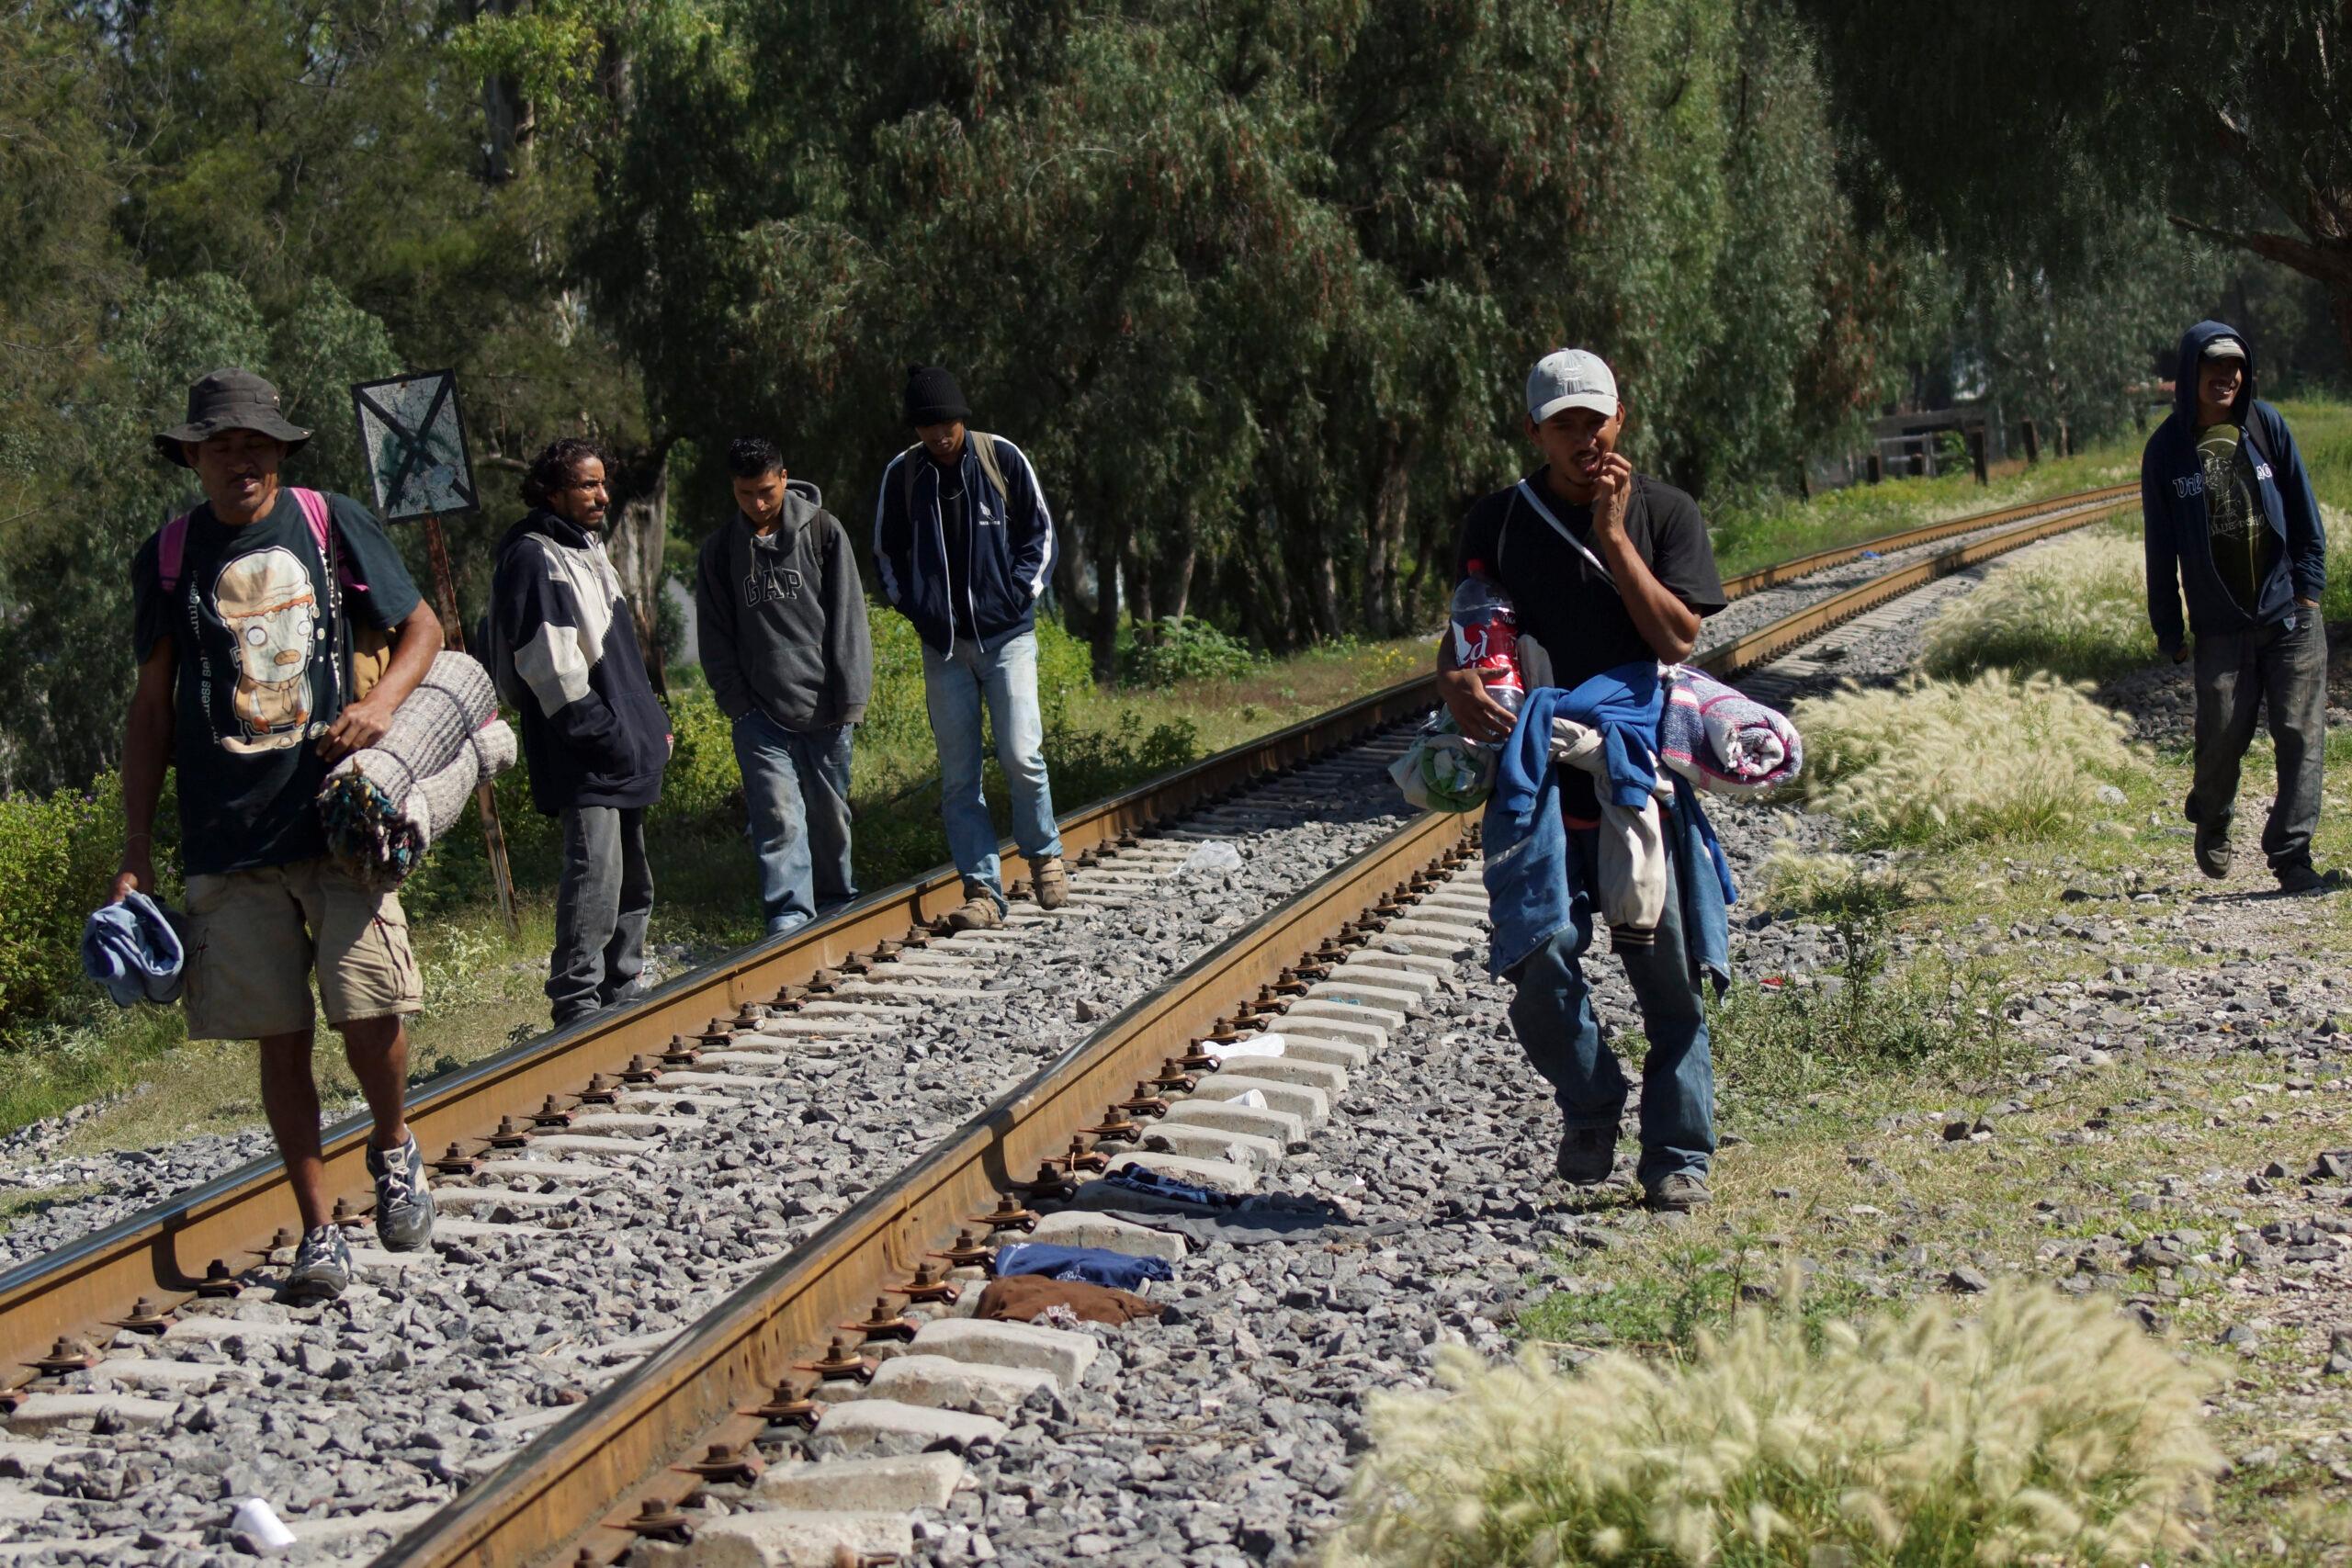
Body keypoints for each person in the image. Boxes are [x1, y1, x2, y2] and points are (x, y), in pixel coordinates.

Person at [114, 367, 444, 1299]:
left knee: (368, 1007)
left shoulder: (329, 521)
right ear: (193, 459)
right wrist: (135, 850)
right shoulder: (170, 556)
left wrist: (380, 704)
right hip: (228, 836)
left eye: (255, 445)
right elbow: (151, 709)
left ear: (279, 453)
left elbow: (422, 629)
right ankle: (319, 1230)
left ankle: (393, 1147)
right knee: (280, 1036)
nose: (241, 461)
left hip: (337, 820)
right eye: (221, 447)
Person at [1439, 349, 1728, 1212]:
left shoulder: (1666, 513)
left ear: (1619, 420)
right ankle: (1592, 1095)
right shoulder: (1496, 521)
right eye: (1563, 424)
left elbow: (1676, 637)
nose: (1583, 438)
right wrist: (1453, 681)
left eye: (1594, 421)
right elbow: (1471, 629)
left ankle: (1677, 1155)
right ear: (1534, 432)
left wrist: (1612, 534)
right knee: (1539, 959)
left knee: (1665, 973)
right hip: (1537, 771)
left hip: (1639, 772)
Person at [872, 365, 1069, 931]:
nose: (939, 435)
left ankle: (1044, 856)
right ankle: (982, 891)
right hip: (945, 650)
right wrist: (918, 609)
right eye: (927, 426)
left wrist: (1017, 595)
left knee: (1021, 755)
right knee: (959, 777)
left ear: (962, 418)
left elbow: (1040, 534)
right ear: (916, 429)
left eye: (947, 423)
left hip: (1008, 639)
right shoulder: (903, 475)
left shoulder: (1000, 457)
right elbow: (886, 553)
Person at [2143, 321, 2336, 895]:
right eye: (2213, 366)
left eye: (2235, 366)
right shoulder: (2167, 450)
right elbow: (2160, 547)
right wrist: (2168, 627)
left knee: (2300, 734)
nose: (2225, 376)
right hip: (2220, 626)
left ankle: (2292, 856)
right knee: (2222, 737)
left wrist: (2308, 588)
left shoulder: (2265, 425)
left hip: (2288, 613)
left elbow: (2303, 511)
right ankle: (2212, 812)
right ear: (2190, 373)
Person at [489, 438, 673, 1024]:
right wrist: (606, 735)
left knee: (631, 879)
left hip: (619, 747)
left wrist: (649, 727)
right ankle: (577, 1005)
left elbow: (622, 659)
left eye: (603, 483)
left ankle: (622, 991)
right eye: (587, 485)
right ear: (552, 491)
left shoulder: (587, 547)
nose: (602, 495)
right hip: (582, 751)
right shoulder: (534, 557)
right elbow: (549, 667)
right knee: (595, 875)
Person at [696, 437, 873, 935]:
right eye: (745, 493)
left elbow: (849, 619)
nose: (757, 503)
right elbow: (714, 635)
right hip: (759, 716)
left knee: (830, 819)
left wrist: (851, 699)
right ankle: (790, 919)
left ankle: (836, 906)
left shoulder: (823, 530)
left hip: (827, 707)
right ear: (733, 488)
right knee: (778, 817)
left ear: (784, 478)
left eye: (766, 491)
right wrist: (738, 705)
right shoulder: (720, 552)